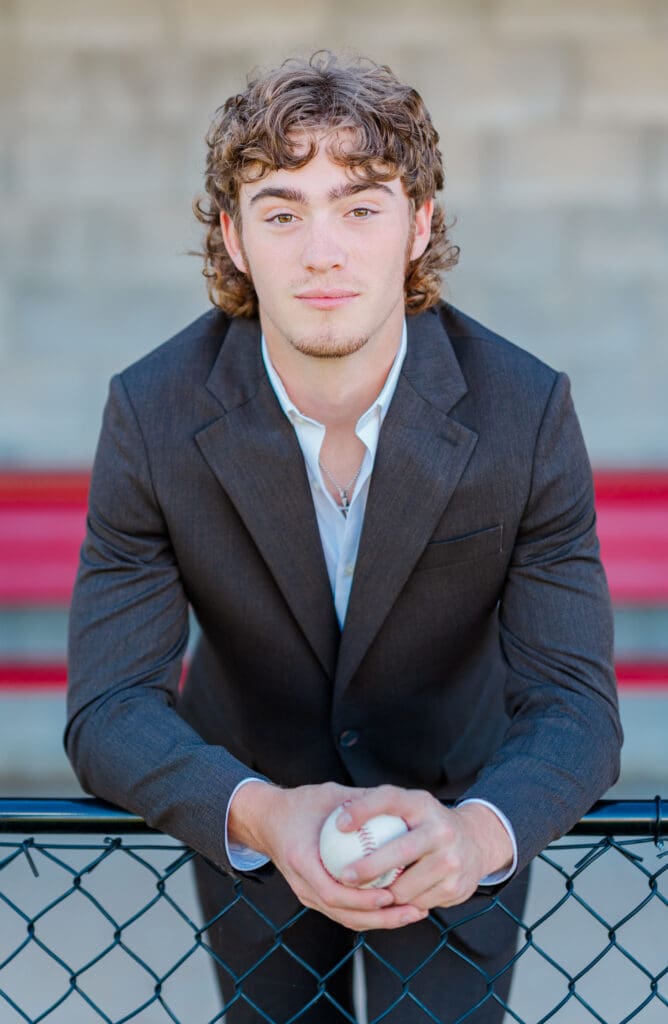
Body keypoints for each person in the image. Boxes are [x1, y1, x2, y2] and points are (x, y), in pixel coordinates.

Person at [65, 51, 622, 1023]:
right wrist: (261, 812)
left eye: (360, 206)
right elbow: (109, 704)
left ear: (419, 225)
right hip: (252, 803)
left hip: (452, 802)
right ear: (235, 238)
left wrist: (480, 834)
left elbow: (574, 701)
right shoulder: (151, 413)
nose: (321, 250)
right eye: (282, 211)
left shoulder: (522, 411)